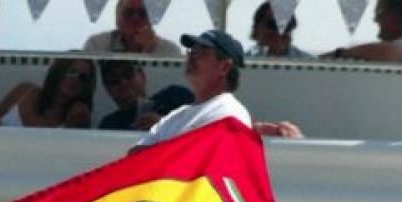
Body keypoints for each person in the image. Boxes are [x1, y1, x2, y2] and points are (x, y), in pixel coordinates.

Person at [130, 30, 303, 152]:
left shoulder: (230, 112)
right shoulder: (177, 115)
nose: (191, 56)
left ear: (224, 67)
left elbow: (199, 158)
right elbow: (135, 154)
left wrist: (160, 151)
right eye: (191, 51)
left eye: (201, 53)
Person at [322, 0, 402, 65]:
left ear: (396, 16)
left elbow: (389, 52)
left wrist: (339, 54)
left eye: (380, 12)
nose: (376, 19)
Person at [0, 58, 96, 129]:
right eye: (71, 71)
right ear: (59, 70)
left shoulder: (77, 115)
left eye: (82, 77)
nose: (75, 79)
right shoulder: (25, 91)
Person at [98, 59, 193, 131]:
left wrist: (164, 125)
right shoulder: (109, 125)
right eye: (114, 80)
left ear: (142, 76)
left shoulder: (175, 96)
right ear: (107, 89)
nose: (123, 82)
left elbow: (200, 126)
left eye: (128, 74)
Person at [83, 0, 181, 56]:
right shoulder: (97, 45)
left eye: (142, 13)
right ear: (118, 21)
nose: (135, 19)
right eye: (129, 13)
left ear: (151, 20)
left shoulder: (169, 51)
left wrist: (149, 50)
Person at [247, 1, 312, 59]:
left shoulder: (310, 62)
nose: (280, 32)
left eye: (287, 26)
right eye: (273, 24)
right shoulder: (244, 61)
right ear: (256, 28)